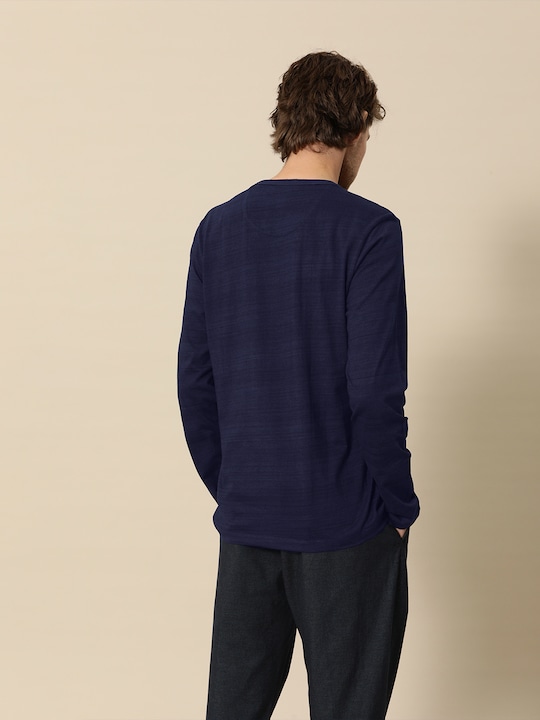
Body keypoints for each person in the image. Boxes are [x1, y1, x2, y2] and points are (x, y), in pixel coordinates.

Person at [177, 50, 420, 720]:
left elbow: (195, 385)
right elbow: (374, 393)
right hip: (347, 523)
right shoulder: (370, 230)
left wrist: (237, 488)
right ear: (356, 127)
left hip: (249, 521)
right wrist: (399, 504)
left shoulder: (218, 229)